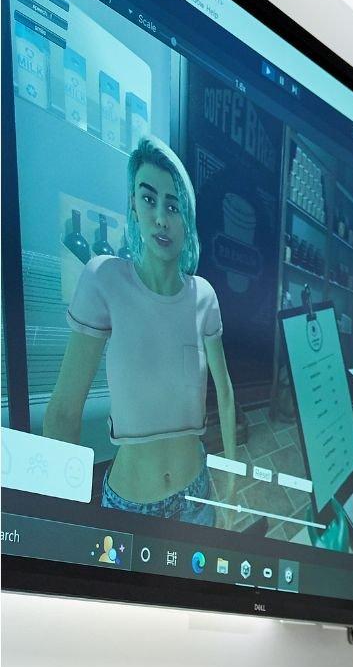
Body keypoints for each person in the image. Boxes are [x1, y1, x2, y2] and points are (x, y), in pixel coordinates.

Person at [43, 135, 237, 528]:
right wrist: (61, 518)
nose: (162, 218)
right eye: (149, 200)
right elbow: (63, 412)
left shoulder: (204, 297)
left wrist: (230, 477)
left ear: (187, 217)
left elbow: (227, 392)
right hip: (130, 510)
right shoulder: (104, 279)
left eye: (173, 205)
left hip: (197, 497)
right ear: (133, 203)